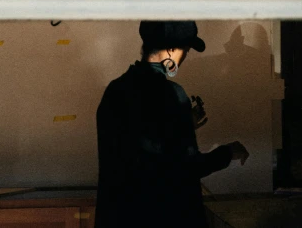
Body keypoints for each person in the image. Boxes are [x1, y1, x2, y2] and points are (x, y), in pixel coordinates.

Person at [95, 21, 249, 228]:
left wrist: (184, 125)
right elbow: (186, 167)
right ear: (170, 50)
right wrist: (229, 152)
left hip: (119, 217)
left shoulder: (114, 91)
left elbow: (138, 150)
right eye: (185, 50)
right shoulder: (172, 95)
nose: (185, 57)